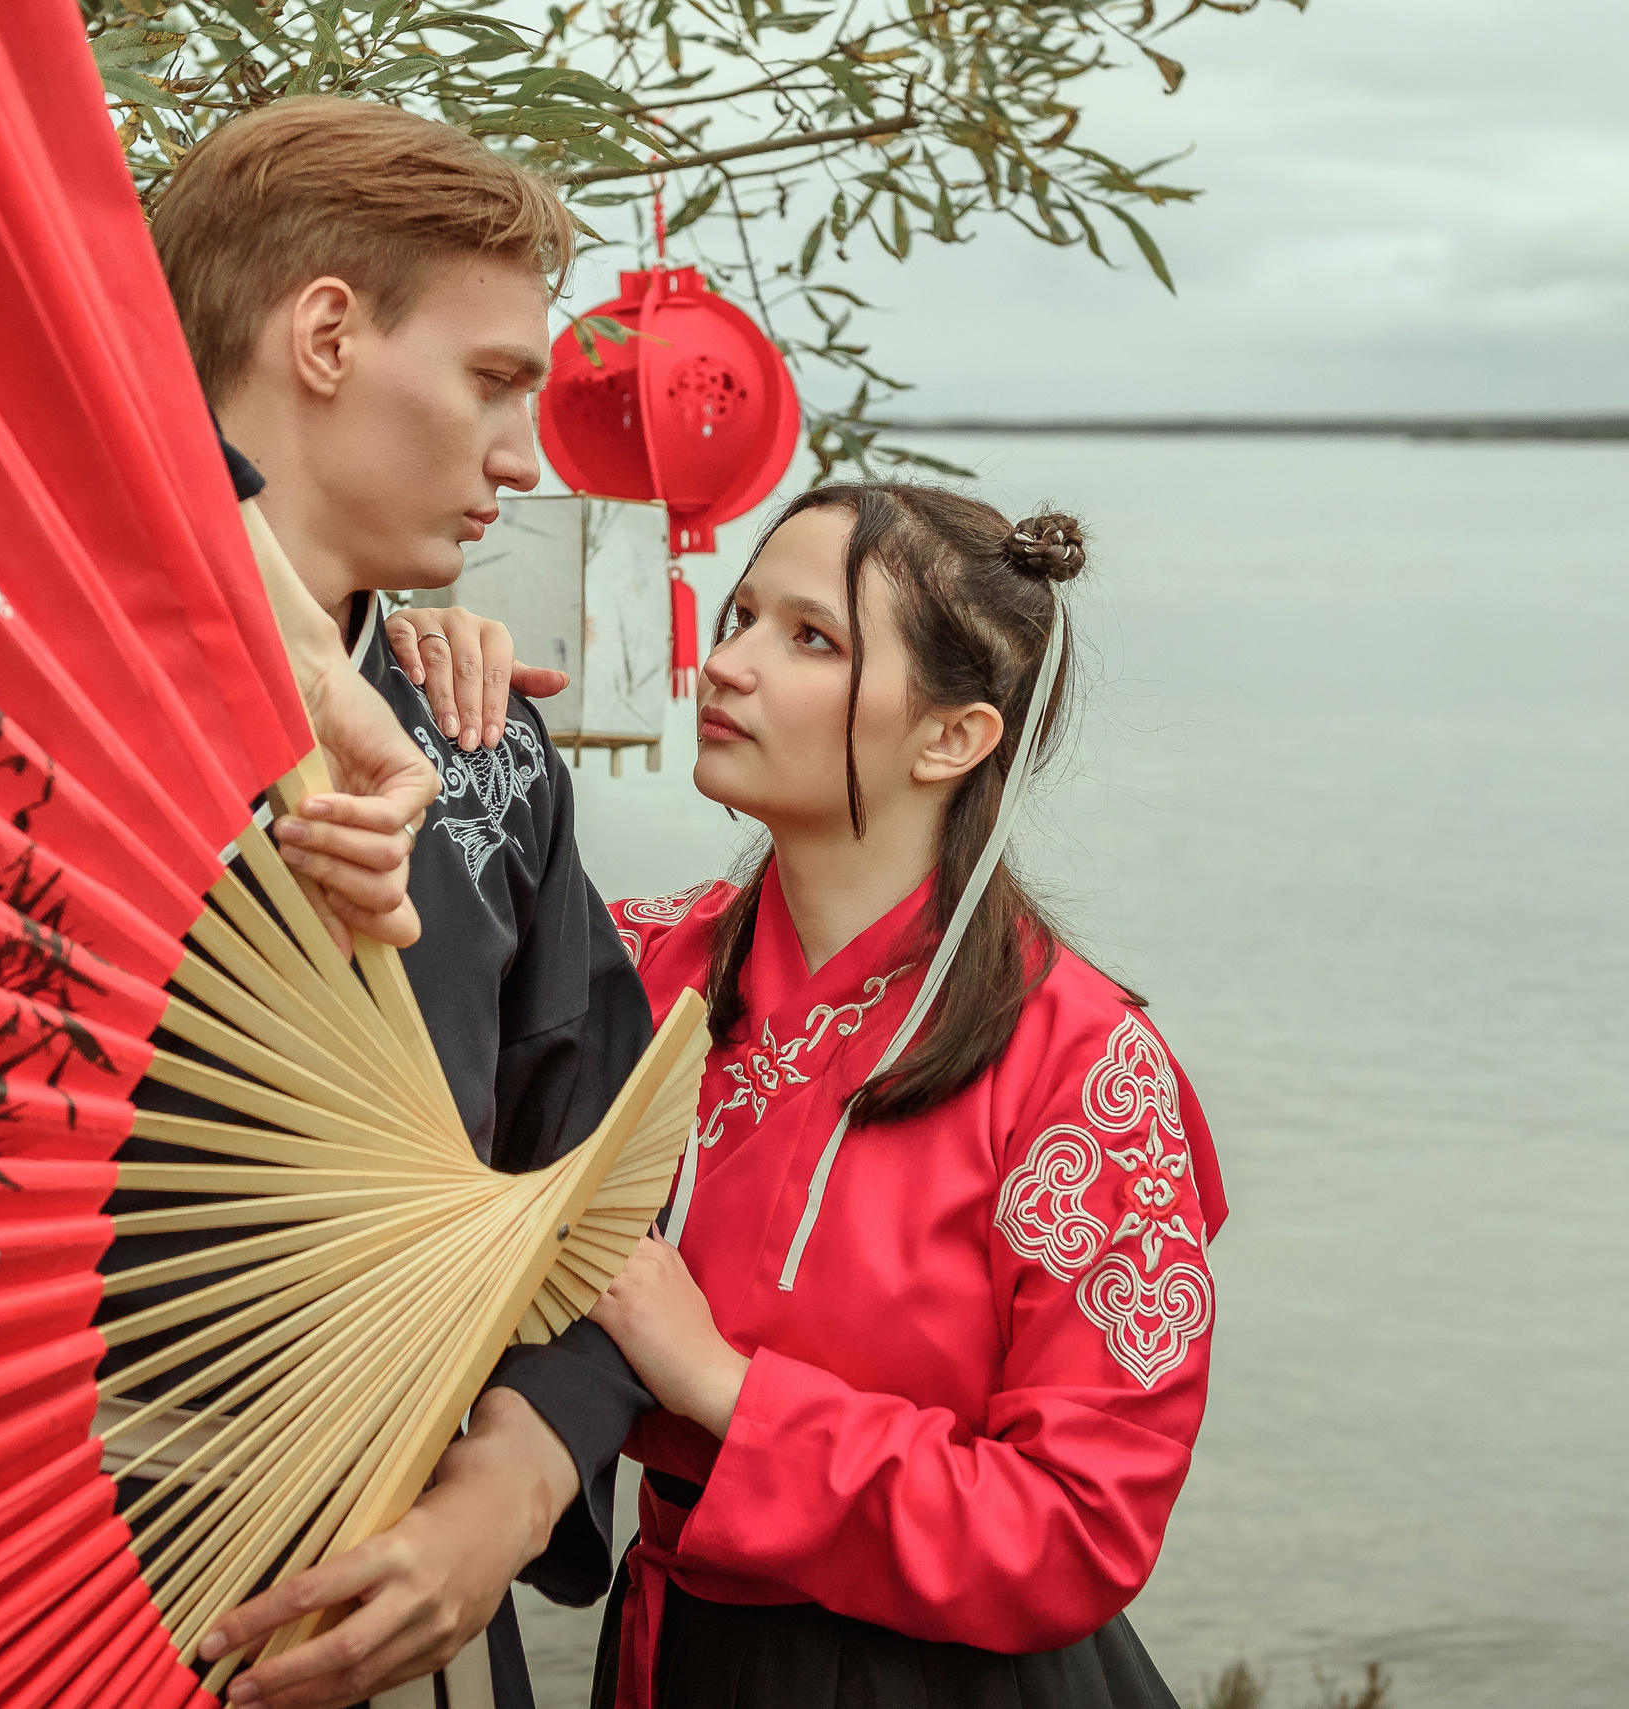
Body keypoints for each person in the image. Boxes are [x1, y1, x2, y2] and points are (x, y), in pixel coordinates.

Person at [393, 484, 1227, 1709]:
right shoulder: (639, 971)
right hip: (675, 1645)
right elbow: (406, 1060)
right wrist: (409, 697)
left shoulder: (1085, 1071)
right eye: (739, 616)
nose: (727, 663)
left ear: (951, 737)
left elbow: (1078, 1526)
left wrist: (723, 1387)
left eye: (810, 638)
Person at [105, 96, 662, 1709]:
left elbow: (598, 1174)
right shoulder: (32, 702)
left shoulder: (487, 751)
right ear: (328, 334)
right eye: (491, 381)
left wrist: (514, 1484)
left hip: (398, 1570)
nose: (520, 458)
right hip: (54, 1546)